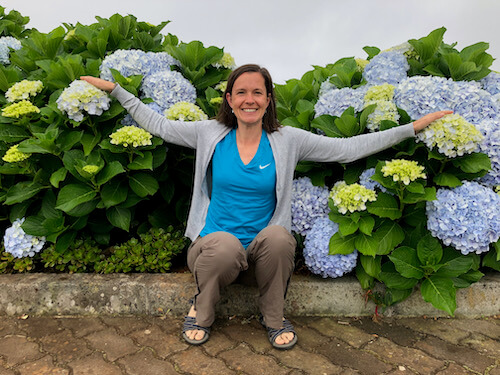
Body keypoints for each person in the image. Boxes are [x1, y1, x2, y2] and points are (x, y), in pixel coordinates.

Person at [81, 64, 451, 350]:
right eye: (240, 92)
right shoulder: (209, 134)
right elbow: (158, 124)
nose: (249, 99)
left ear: (269, 98)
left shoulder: (287, 140)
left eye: (257, 92)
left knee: (278, 236)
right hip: (213, 251)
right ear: (229, 99)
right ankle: (202, 311)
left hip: (259, 256)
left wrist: (412, 128)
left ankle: (274, 318)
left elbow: (346, 148)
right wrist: (117, 91)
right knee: (224, 244)